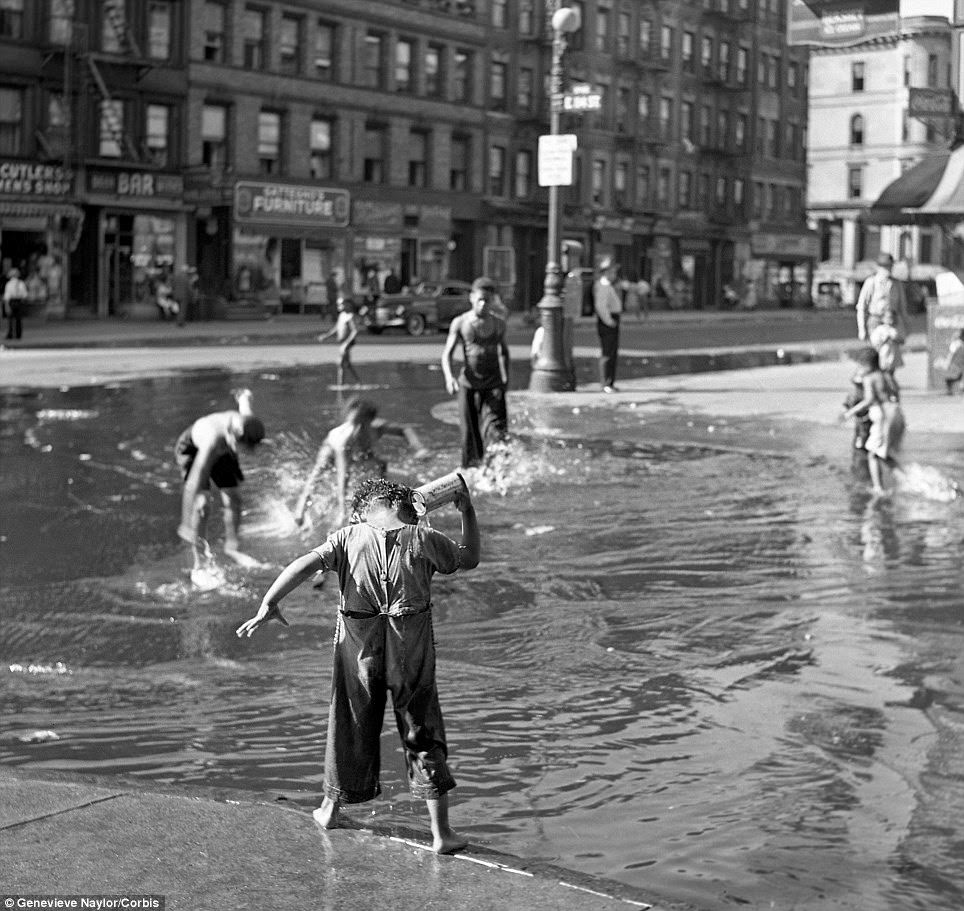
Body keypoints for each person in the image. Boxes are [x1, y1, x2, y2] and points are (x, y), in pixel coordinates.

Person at [236, 477, 480, 854]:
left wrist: (269, 603)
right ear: (406, 506)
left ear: (367, 509)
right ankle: (441, 834)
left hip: (358, 655)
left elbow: (303, 564)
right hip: (410, 655)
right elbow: (470, 557)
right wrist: (466, 510)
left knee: (348, 724)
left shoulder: (346, 538)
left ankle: (331, 810)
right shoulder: (425, 539)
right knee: (421, 729)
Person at [293, 396, 429, 526]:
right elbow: (343, 475)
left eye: (362, 425)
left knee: (380, 464)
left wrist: (419, 448)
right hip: (334, 449)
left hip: (358, 450)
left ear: (369, 422)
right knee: (319, 473)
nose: (358, 429)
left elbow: (404, 429)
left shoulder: (376, 427)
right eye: (354, 424)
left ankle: (383, 498)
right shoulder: (344, 438)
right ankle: (300, 509)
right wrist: (342, 511)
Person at [175, 388, 266, 572]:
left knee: (234, 499)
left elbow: (245, 400)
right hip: (192, 449)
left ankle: (232, 549)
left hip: (224, 449)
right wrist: (186, 522)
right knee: (202, 506)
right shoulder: (213, 440)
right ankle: (199, 563)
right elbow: (193, 483)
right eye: (243, 449)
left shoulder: (247, 422)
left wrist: (244, 395)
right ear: (232, 438)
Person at [441, 276, 510, 469]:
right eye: (479, 299)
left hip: (493, 385)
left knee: (497, 432)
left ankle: (498, 471)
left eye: (487, 300)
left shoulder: (499, 324)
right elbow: (446, 355)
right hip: (468, 385)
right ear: (471, 298)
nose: (483, 304)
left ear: (492, 300)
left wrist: (506, 380)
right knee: (469, 437)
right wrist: (449, 378)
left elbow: (504, 352)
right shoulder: (461, 323)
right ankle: (472, 472)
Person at [843, 346, 905, 496]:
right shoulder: (886, 375)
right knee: (882, 455)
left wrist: (850, 412)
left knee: (872, 454)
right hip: (896, 412)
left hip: (884, 416)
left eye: (860, 365)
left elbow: (869, 399)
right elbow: (897, 392)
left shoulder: (869, 378)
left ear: (866, 365)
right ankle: (905, 478)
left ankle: (879, 488)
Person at [856, 252, 910, 348]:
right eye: (886, 267)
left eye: (890, 266)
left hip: (892, 321)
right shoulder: (871, 282)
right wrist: (862, 329)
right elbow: (861, 307)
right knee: (878, 352)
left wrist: (906, 327)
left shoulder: (896, 284)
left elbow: (902, 307)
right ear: (879, 268)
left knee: (891, 354)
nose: (889, 269)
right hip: (875, 321)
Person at [593, 256, 622, 393]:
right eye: (612, 272)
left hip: (611, 318)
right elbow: (601, 307)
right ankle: (606, 383)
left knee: (612, 352)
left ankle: (609, 382)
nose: (614, 275)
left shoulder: (607, 285)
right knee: (608, 352)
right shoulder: (604, 286)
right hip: (608, 321)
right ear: (605, 272)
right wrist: (609, 321)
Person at [318, 296, 361, 386]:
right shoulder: (342, 315)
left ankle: (340, 385)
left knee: (340, 362)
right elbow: (336, 328)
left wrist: (346, 343)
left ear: (347, 305)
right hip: (342, 343)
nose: (338, 306)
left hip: (347, 343)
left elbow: (354, 331)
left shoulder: (350, 316)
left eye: (341, 304)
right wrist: (326, 336)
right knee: (347, 364)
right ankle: (358, 382)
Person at [868, 308, 903, 376]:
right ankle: (890, 384)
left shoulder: (895, 329)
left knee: (891, 371)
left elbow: (902, 340)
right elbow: (875, 342)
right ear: (883, 319)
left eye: (893, 317)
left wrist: (896, 339)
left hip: (894, 353)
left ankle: (890, 382)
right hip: (884, 353)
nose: (891, 319)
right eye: (889, 317)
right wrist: (884, 340)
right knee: (885, 371)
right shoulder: (880, 329)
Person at [4, 266, 28, 340]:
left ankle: (11, 333)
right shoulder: (21, 283)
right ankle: (18, 334)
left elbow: (7, 296)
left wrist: (7, 305)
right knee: (18, 319)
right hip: (18, 301)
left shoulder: (9, 284)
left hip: (12, 301)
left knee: (11, 319)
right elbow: (25, 295)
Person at [939, 328, 964, 395]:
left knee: (958, 377)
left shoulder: (959, 343)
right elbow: (951, 354)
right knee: (955, 377)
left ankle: (952, 390)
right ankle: (949, 390)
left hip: (960, 365)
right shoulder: (956, 344)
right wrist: (947, 363)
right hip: (955, 365)